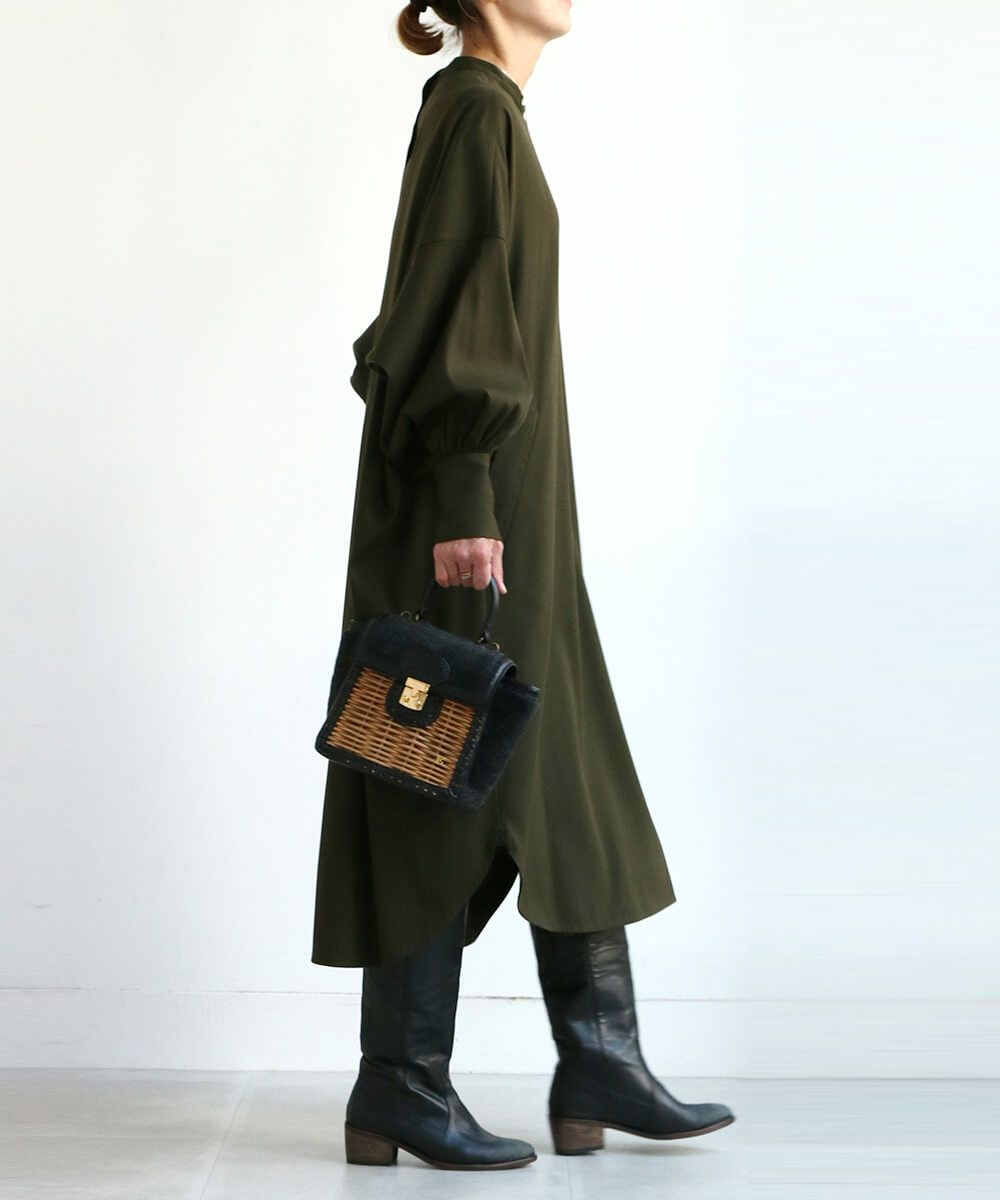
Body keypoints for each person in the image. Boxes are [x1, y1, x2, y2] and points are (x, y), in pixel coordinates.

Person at [312, 0, 737, 1170]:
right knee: (427, 765)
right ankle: (400, 1081)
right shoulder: (471, 110)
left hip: (518, 514)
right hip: (472, 517)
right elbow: (452, 311)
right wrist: (463, 493)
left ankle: (599, 1058)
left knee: (560, 768)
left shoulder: (490, 110)